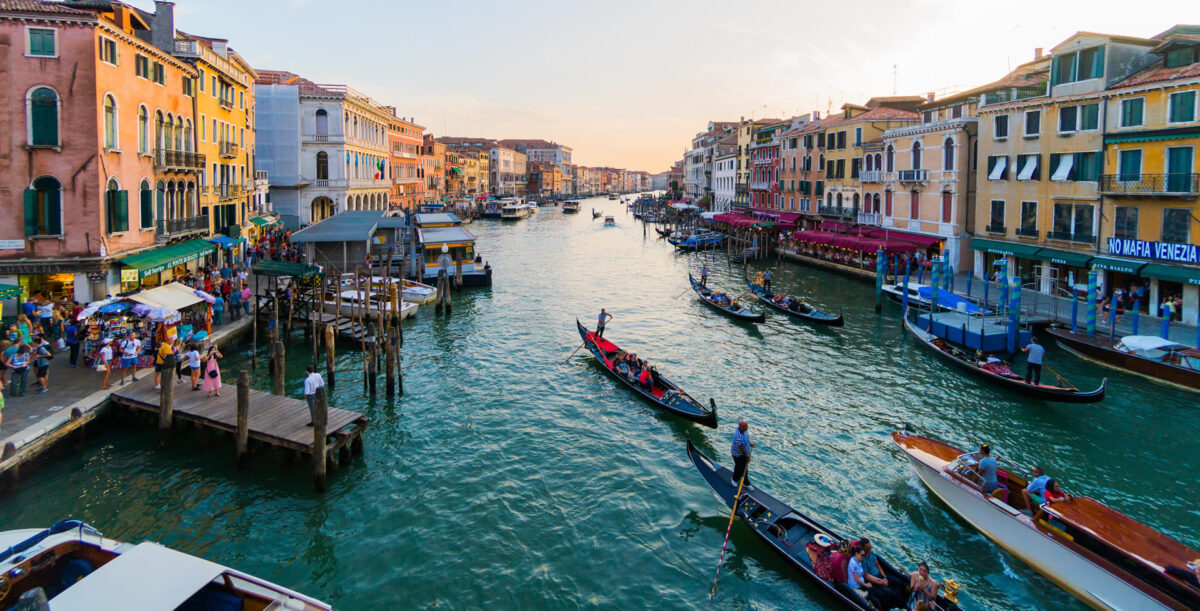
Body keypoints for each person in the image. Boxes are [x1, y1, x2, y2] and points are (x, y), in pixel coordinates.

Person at [859, 538, 904, 609]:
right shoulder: (862, 559)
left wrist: (884, 576)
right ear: (863, 548)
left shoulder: (871, 553)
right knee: (887, 593)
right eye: (868, 548)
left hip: (880, 576)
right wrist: (881, 582)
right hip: (873, 580)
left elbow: (878, 565)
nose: (869, 549)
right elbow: (866, 576)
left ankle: (902, 605)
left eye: (870, 547)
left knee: (899, 583)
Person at [730, 420, 753, 489]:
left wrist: (749, 443)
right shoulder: (738, 437)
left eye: (747, 426)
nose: (747, 428)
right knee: (739, 468)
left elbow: (746, 438)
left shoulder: (744, 430)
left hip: (743, 453)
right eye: (745, 427)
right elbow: (741, 449)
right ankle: (734, 480)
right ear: (741, 427)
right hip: (738, 455)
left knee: (744, 468)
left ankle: (745, 482)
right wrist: (747, 457)